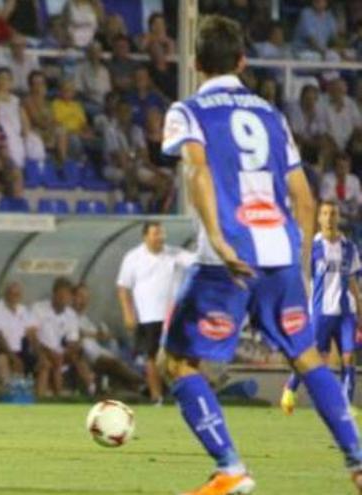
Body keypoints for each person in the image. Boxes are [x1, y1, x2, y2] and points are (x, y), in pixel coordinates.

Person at [161, 15, 362, 494]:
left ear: (194, 62)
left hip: (225, 260)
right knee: (307, 357)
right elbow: (304, 196)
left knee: (178, 364)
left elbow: (198, 173)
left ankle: (230, 467)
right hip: (281, 254)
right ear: (243, 61)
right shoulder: (271, 115)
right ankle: (357, 460)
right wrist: (303, 266)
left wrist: (221, 238)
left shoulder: (188, 111)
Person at [282, 201, 362, 415]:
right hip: (319, 312)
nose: (329, 218)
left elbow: (353, 280)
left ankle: (344, 404)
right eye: (325, 214)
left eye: (333, 214)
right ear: (319, 218)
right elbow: (300, 279)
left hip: (346, 312)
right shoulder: (312, 249)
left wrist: (361, 310)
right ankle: (290, 388)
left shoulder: (349, 248)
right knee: (312, 356)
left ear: (338, 218)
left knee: (348, 356)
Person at [117, 222, 193, 404]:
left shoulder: (174, 254)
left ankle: (180, 397)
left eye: (162, 233)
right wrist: (128, 313)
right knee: (150, 357)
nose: (160, 237)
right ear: (145, 236)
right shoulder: (133, 257)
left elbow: (196, 260)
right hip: (148, 315)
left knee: (177, 357)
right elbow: (123, 287)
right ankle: (156, 397)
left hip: (172, 315)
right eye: (156, 234)